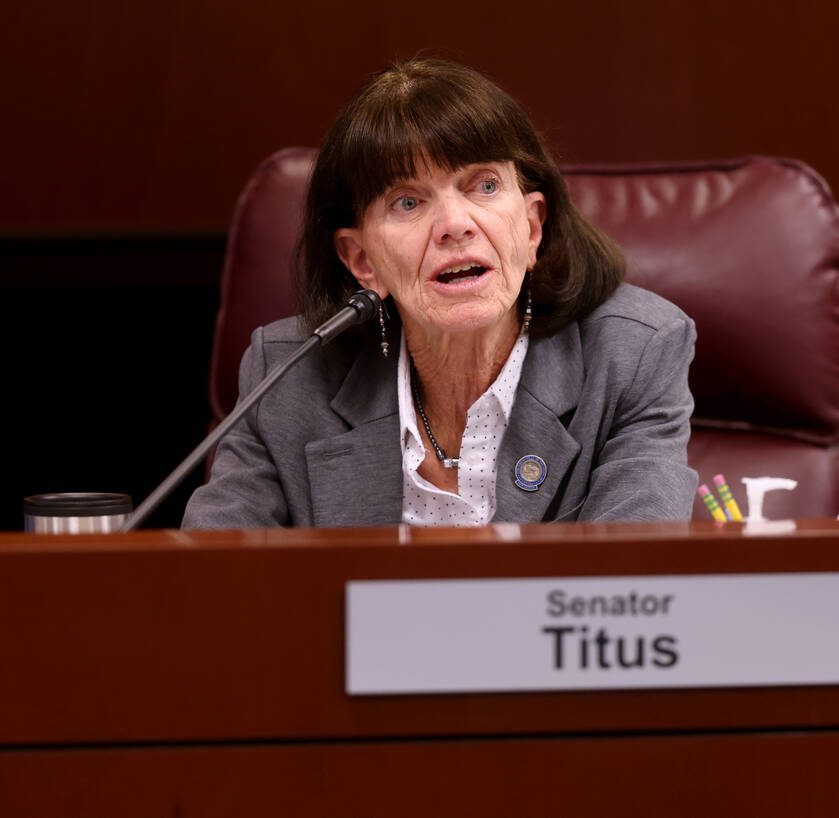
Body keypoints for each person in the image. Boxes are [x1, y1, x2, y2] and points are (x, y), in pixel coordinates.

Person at [183, 58, 697, 528]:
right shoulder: (286, 378)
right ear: (362, 261)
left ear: (532, 227)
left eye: (484, 185)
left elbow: (633, 577)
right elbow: (211, 578)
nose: (455, 224)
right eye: (407, 202)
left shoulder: (632, 355)